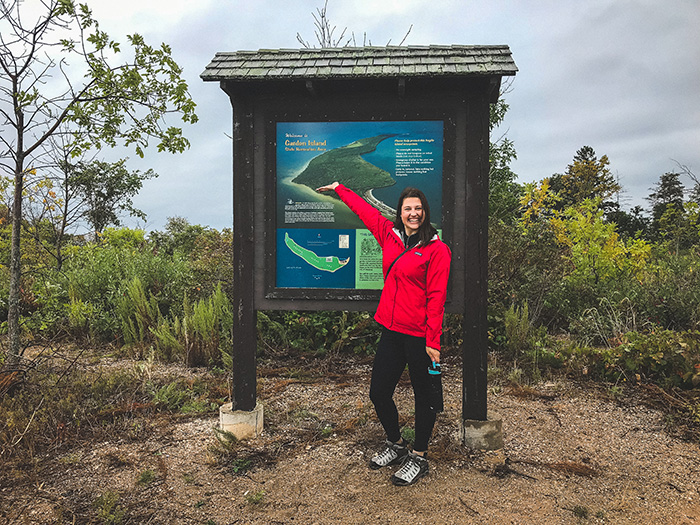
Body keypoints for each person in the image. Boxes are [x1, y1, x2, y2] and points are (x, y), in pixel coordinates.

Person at [316, 181, 451, 486]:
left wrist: (433, 341)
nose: (413, 214)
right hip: (391, 330)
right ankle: (396, 444)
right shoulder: (389, 236)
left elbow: (437, 297)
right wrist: (341, 188)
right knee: (378, 393)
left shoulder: (437, 250)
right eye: (408, 209)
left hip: (418, 336)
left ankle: (419, 456)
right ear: (401, 213)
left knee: (423, 398)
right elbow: (365, 210)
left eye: (418, 209)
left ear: (425, 212)